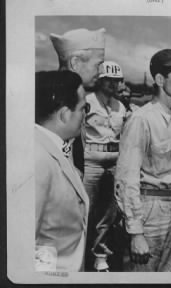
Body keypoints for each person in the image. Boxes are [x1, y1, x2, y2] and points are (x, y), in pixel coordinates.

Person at [114, 49, 171, 271]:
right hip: (148, 210)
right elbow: (126, 178)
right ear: (160, 79)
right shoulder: (141, 120)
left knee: (168, 275)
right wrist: (136, 232)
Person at [35, 70, 89, 271]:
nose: (85, 115)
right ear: (65, 115)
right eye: (84, 108)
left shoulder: (55, 147)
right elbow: (24, 244)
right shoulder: (38, 159)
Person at [82, 61, 128, 271]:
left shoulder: (121, 106)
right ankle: (77, 254)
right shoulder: (86, 101)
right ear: (99, 81)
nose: (112, 84)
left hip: (114, 160)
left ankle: (100, 255)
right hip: (91, 160)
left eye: (116, 80)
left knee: (108, 213)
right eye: (108, 80)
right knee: (84, 209)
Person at [50, 28, 106, 174]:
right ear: (75, 63)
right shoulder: (56, 103)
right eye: (97, 65)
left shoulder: (69, 97)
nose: (100, 72)